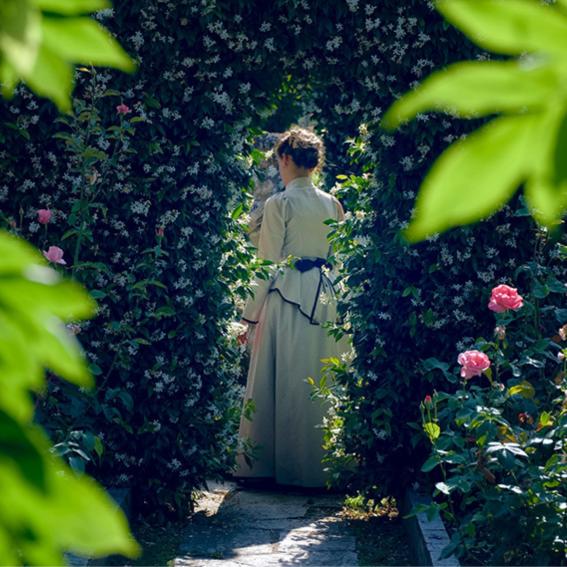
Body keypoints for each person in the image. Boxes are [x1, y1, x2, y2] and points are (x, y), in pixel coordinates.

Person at [235, 126, 345, 488]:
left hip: (287, 298)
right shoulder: (333, 204)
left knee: (282, 380)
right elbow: (339, 260)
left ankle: (269, 468)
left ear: (284, 158)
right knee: (317, 380)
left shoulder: (279, 204)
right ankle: (318, 470)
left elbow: (267, 264)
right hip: (324, 299)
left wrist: (248, 315)